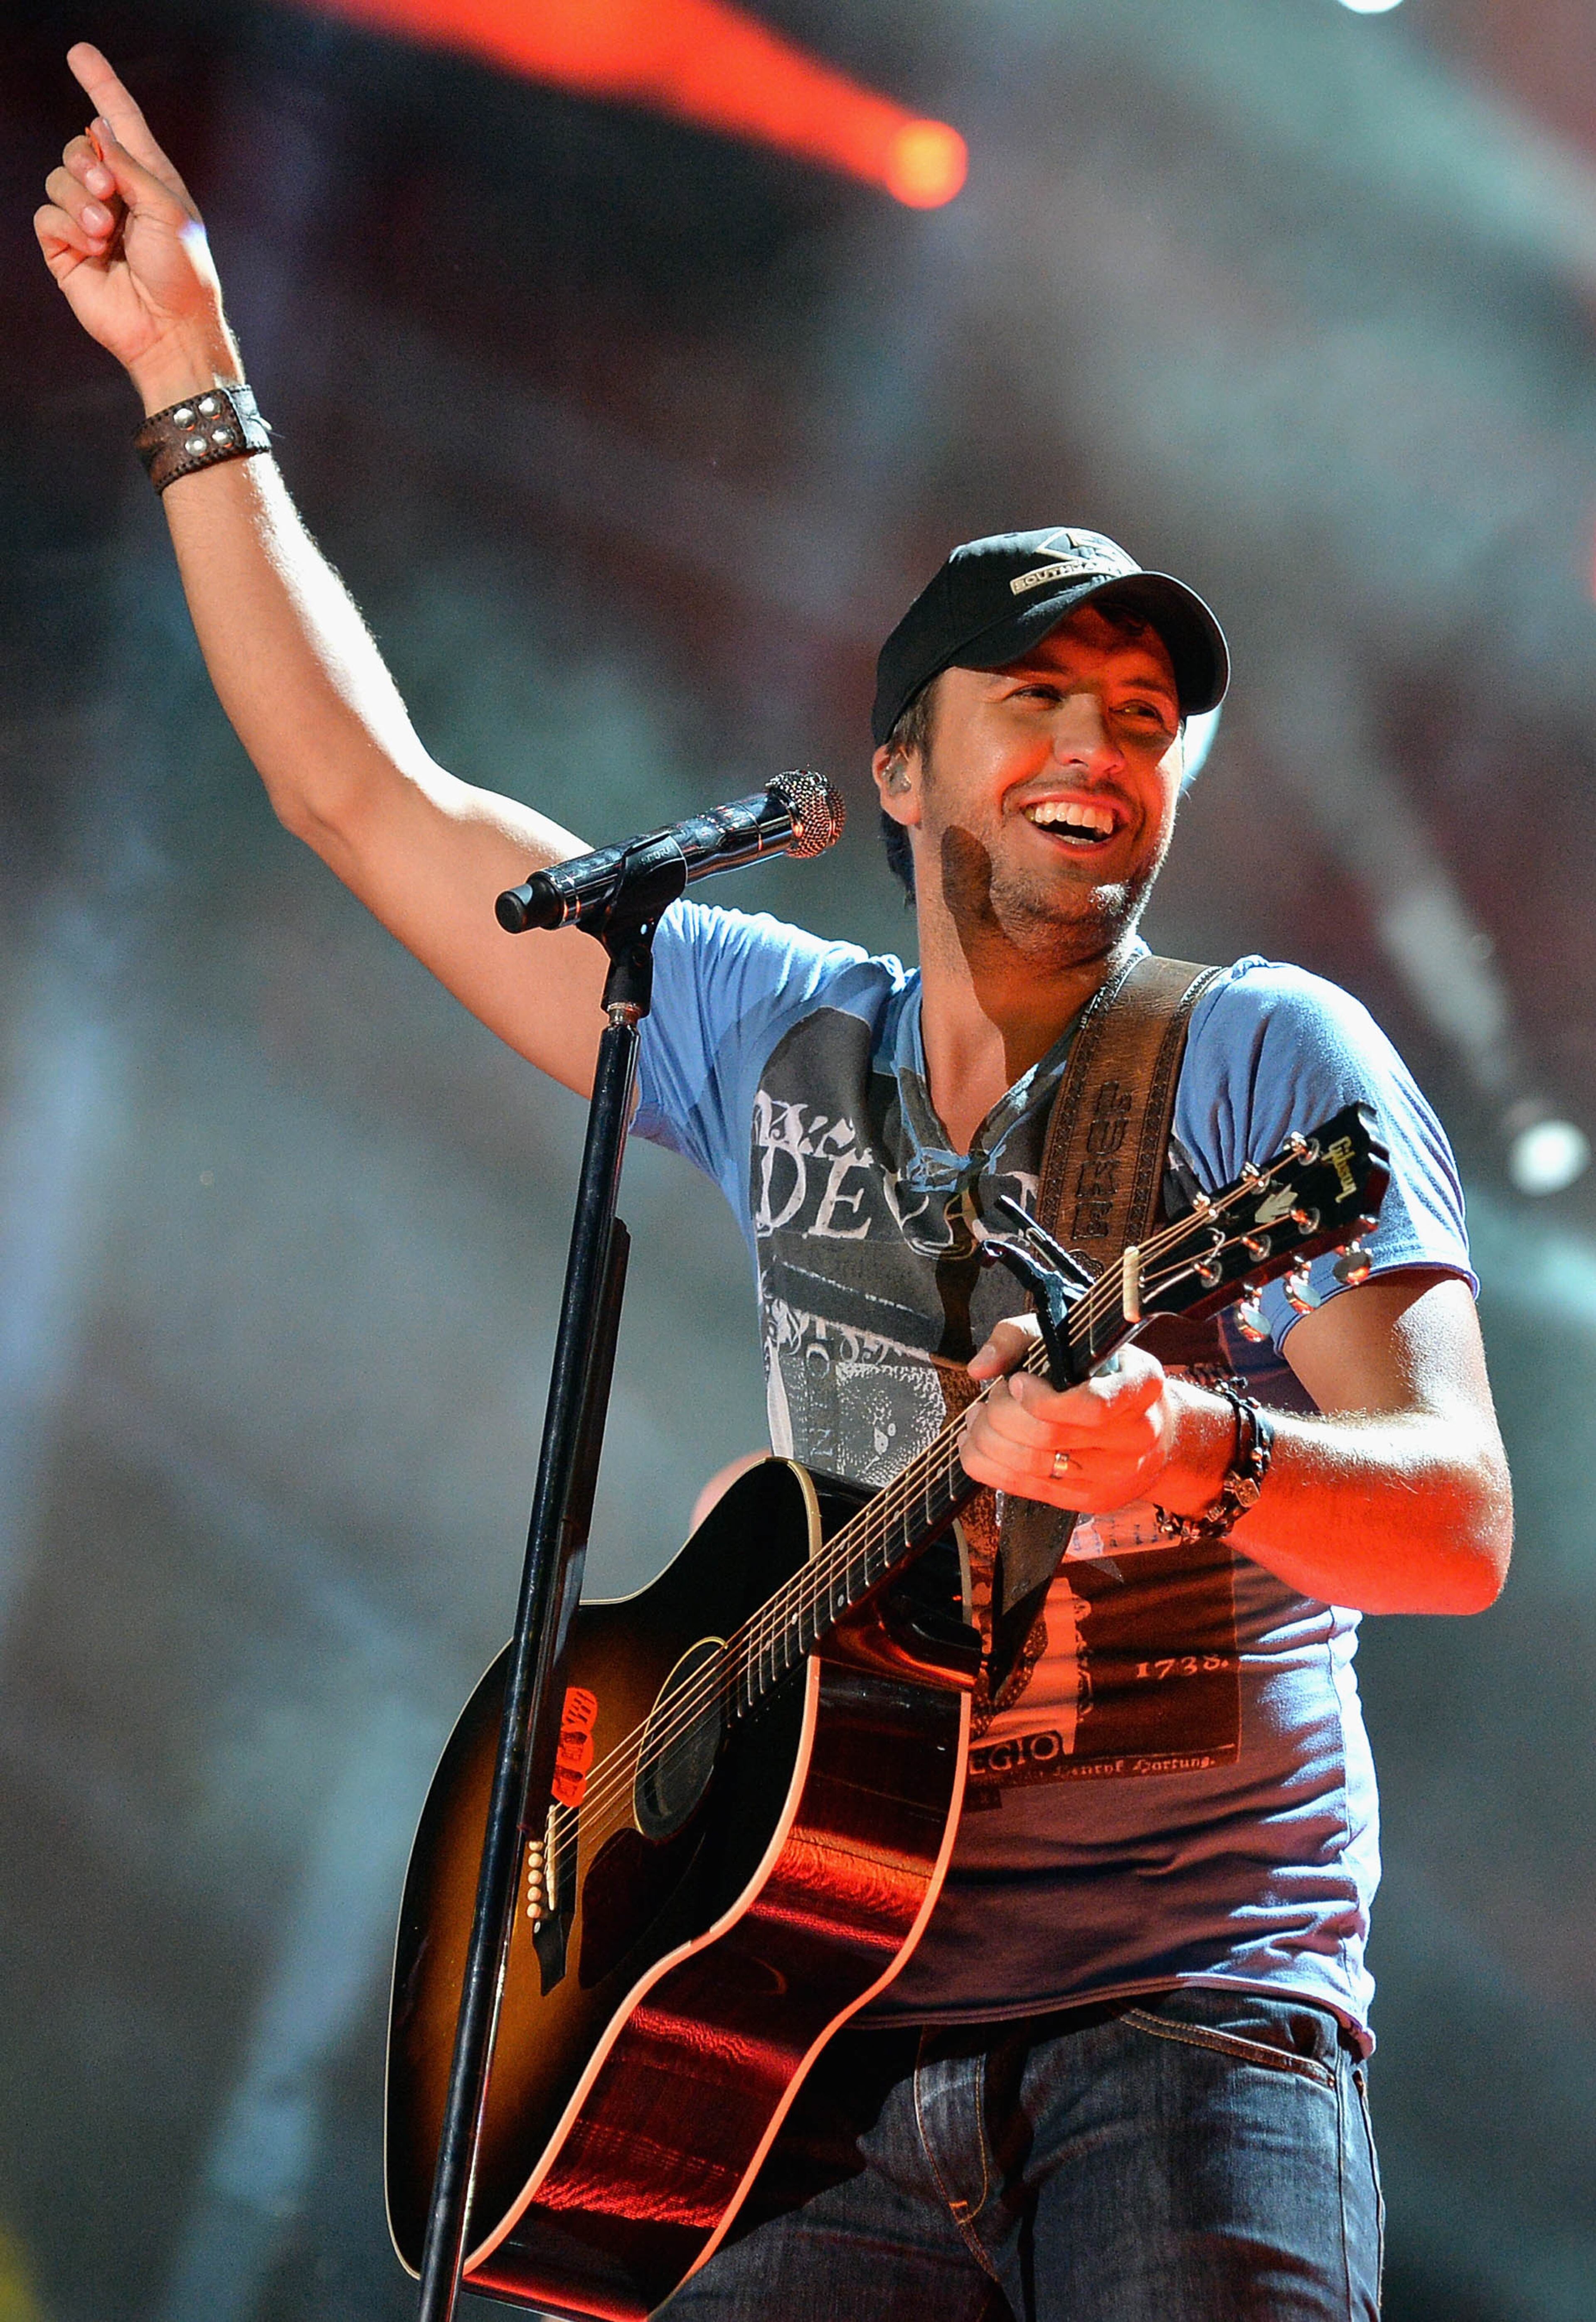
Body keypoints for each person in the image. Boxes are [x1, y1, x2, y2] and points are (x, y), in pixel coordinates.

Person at [37, 44, 1512, 2322]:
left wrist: (1189, 1447)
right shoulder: (761, 1022)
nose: (1104, 750)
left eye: (1144, 720)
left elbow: (1455, 1515)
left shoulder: (1262, 1057)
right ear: (900, 773)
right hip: (802, 2038)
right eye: (1043, 700)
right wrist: (193, 371)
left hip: (1185, 2038)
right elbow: (368, 798)